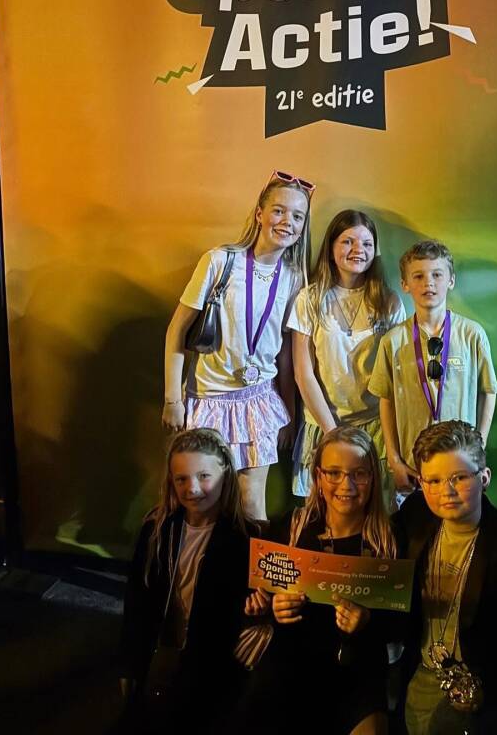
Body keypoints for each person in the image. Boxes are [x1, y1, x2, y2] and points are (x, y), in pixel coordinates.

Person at [162, 171, 313, 520]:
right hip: (208, 399)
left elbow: (286, 352)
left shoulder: (294, 278)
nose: (287, 222)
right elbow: (176, 330)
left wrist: (289, 413)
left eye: (297, 216)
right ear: (260, 213)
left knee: (252, 503)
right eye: (278, 211)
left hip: (258, 401)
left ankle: (252, 559)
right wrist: (172, 399)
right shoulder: (220, 261)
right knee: (203, 502)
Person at [395, 420, 497, 734]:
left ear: (484, 478)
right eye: (433, 480)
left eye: (459, 478)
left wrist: (490, 691)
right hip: (420, 674)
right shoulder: (414, 518)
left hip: (485, 688)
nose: (445, 491)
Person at [237, 426, 400, 735]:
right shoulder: (292, 527)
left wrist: (367, 621)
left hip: (358, 674)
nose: (346, 485)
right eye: (334, 473)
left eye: (358, 474)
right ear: (318, 477)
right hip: (293, 669)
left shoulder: (389, 539)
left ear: (373, 478)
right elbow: (254, 596)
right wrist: (271, 608)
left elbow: (402, 624)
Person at [119, 428, 255, 733]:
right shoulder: (156, 530)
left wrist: (256, 608)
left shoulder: (246, 538)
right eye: (181, 479)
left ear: (225, 474)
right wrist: (130, 664)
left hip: (211, 671)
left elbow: (243, 609)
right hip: (161, 660)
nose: (192, 488)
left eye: (204, 476)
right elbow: (136, 602)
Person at [288, 209, 405, 508]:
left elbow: (394, 376)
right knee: (326, 512)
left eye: (366, 243)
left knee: (375, 512)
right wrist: (333, 434)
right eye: (348, 241)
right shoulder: (310, 299)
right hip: (324, 425)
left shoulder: (389, 302)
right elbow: (303, 373)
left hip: (375, 428)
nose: (358, 250)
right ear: (331, 246)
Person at [368, 240, 497, 496]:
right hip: (413, 469)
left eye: (437, 275)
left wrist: (478, 449)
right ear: (405, 284)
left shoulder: (472, 335)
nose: (428, 283)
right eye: (418, 276)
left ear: (451, 280)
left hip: (461, 465)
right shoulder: (392, 341)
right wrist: (395, 460)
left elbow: (489, 392)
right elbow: (386, 400)